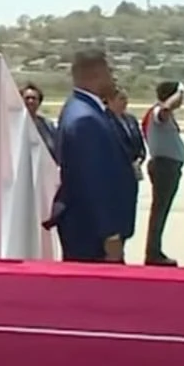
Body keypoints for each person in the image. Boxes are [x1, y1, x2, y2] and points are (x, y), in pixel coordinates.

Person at [50, 49, 137, 263]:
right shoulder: (85, 119)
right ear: (95, 75)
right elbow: (93, 181)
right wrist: (110, 234)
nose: (113, 78)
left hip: (88, 228)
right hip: (93, 234)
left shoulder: (81, 109)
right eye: (109, 72)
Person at [140, 80, 184, 266]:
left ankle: (154, 250)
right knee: (159, 212)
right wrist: (179, 92)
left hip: (168, 166)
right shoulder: (158, 113)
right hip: (164, 167)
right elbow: (165, 110)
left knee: (160, 211)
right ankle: (153, 252)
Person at [23, 81, 58, 160]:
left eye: (34, 98)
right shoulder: (13, 125)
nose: (30, 101)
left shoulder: (48, 125)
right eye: (27, 98)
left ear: (39, 102)